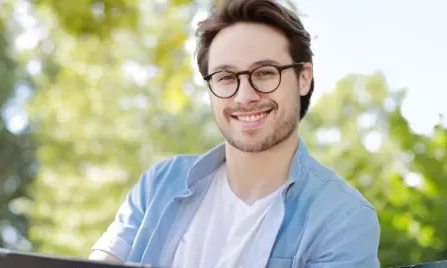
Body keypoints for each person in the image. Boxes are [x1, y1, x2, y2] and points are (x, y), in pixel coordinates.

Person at [89, 0, 380, 267]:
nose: (244, 96)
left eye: (265, 72)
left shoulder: (343, 219)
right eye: (226, 77)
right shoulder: (158, 185)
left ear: (303, 78)